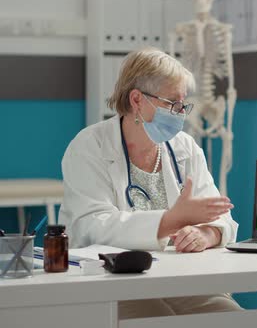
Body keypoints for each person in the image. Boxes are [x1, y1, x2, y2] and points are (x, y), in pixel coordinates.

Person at [59, 47, 242, 318]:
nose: (180, 113)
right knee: (158, 320)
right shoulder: (89, 147)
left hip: (180, 277)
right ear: (137, 100)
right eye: (171, 104)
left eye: (183, 105)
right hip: (112, 281)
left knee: (232, 317)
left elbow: (219, 214)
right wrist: (171, 220)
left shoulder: (185, 147)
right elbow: (91, 226)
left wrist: (205, 234)